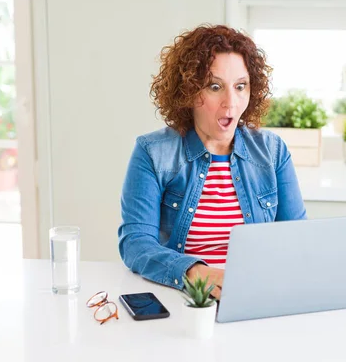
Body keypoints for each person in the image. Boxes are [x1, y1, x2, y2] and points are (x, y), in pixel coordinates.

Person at [117, 24, 306, 299]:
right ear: (189, 91)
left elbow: (297, 238)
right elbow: (135, 244)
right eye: (215, 86)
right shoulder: (153, 152)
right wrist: (194, 272)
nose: (231, 102)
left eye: (241, 86)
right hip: (183, 295)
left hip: (255, 294)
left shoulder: (273, 151)